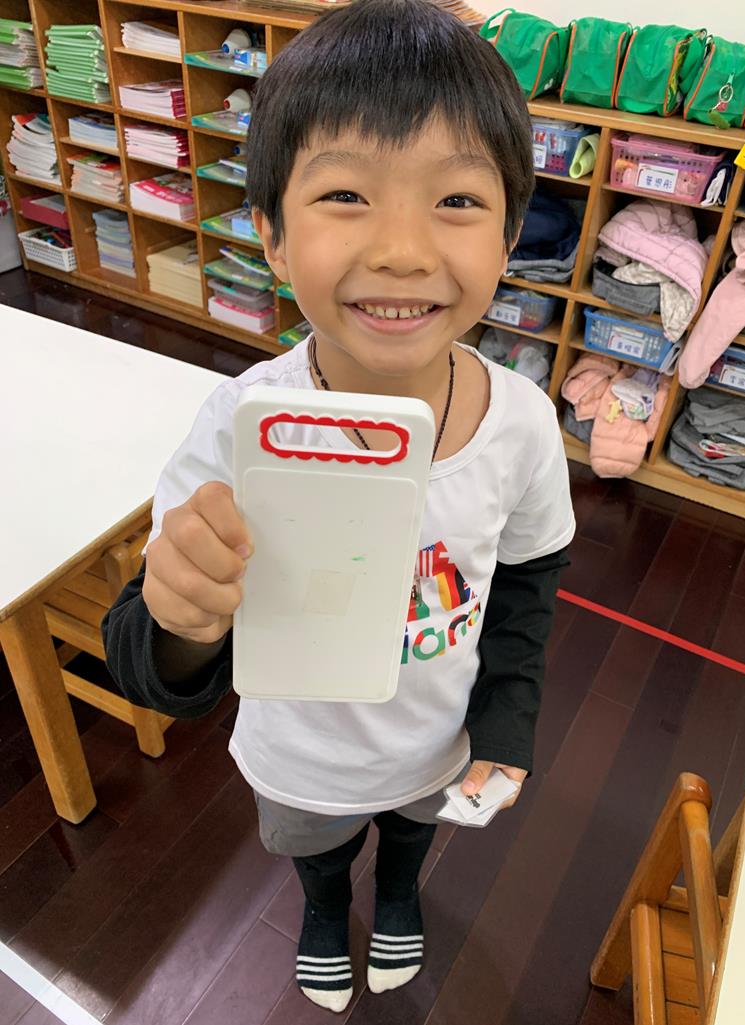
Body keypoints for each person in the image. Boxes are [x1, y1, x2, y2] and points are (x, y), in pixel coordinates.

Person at [102, 0, 575, 1013]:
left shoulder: (523, 424)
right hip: (298, 761)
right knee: (315, 852)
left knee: (408, 838)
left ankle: (397, 894)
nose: (403, 250)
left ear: (508, 235)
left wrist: (506, 726)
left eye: (456, 199)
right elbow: (153, 662)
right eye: (346, 193)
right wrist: (183, 619)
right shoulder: (240, 424)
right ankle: (324, 910)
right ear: (272, 236)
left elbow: (527, 584)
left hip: (434, 746)